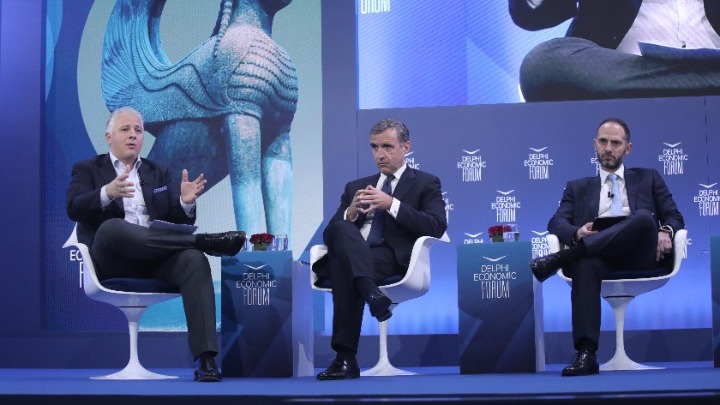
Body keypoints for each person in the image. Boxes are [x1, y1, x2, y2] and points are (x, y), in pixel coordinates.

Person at [66, 106, 247, 382]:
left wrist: (185, 203)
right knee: (113, 227)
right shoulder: (88, 169)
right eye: (125, 129)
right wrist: (107, 192)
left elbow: (172, 222)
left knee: (193, 260)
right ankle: (202, 242)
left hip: (153, 259)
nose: (133, 135)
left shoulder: (157, 171)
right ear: (108, 137)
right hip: (111, 260)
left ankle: (206, 359)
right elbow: (74, 207)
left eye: (138, 130)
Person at [528, 118, 684, 376]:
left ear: (627, 148)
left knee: (644, 218)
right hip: (599, 256)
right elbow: (556, 222)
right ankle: (586, 354)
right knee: (585, 265)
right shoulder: (577, 187)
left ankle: (562, 257)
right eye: (603, 141)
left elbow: (674, 215)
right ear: (595, 144)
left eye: (615, 143)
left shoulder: (649, 177)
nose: (608, 148)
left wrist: (665, 230)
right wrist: (577, 232)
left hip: (641, 255)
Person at [312, 119, 447, 380]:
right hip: (357, 256)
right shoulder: (356, 187)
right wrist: (351, 213)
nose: (379, 154)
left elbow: (436, 225)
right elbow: (330, 234)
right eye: (374, 147)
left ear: (405, 147)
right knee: (341, 229)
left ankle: (345, 359)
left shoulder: (426, 183)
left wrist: (391, 204)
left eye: (387, 146)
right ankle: (371, 293)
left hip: (390, 258)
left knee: (343, 267)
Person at [509, 0, 720, 101]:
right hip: (617, 75)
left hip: (714, 61)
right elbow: (530, 15)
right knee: (543, 63)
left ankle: (693, 82)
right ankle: (695, 83)